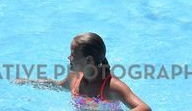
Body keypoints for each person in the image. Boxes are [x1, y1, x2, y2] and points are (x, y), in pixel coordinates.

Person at [15, 32, 151, 111]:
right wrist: (29, 82)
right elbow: (59, 86)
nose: (69, 57)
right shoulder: (75, 77)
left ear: (89, 60)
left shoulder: (111, 86)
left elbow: (145, 108)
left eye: (73, 55)